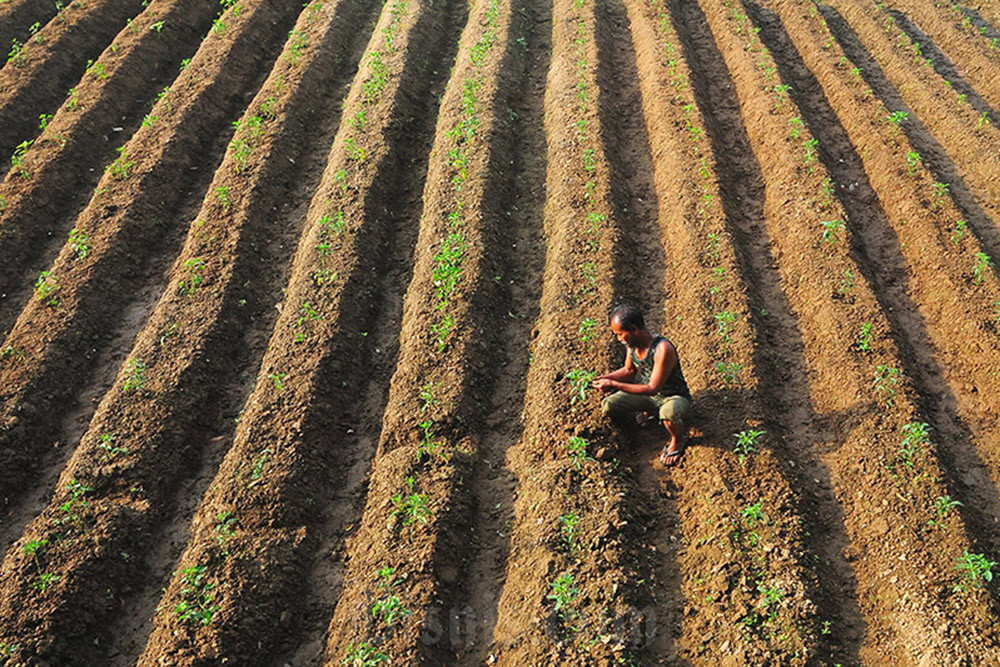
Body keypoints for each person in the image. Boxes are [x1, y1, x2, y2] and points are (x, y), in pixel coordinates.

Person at [593, 304, 692, 466]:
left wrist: (614, 384)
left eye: (620, 334)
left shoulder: (663, 349)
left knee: (668, 414)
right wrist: (602, 378)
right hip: (649, 396)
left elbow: (653, 388)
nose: (619, 339)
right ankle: (637, 426)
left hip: (672, 396)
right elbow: (628, 370)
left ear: (633, 329)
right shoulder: (631, 345)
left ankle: (678, 439)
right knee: (609, 405)